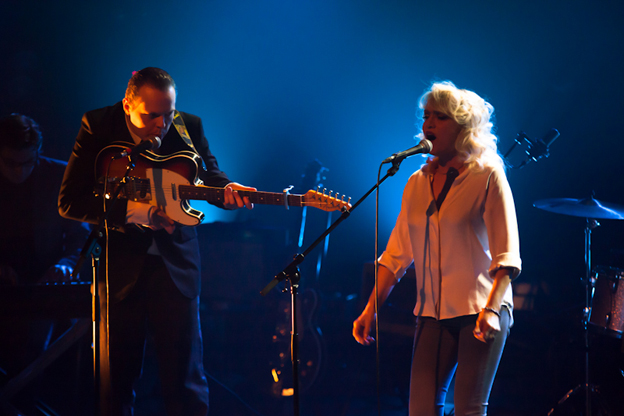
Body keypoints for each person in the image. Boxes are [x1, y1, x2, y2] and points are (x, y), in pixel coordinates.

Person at [58, 67, 256, 416]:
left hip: (174, 263)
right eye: (152, 115)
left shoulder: (187, 125)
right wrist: (139, 214)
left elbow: (209, 171)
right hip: (118, 265)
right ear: (127, 104)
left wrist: (226, 188)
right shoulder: (99, 125)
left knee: (185, 379)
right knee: (115, 381)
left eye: (168, 114)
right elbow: (70, 201)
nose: (162, 124)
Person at [352, 81, 521, 416]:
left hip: (481, 307)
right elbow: (395, 256)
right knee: (420, 410)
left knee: (468, 409)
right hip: (432, 315)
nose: (429, 124)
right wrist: (370, 309)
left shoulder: (487, 174)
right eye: (426, 116)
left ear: (463, 127)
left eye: (440, 117)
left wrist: (490, 310)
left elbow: (508, 254)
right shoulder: (416, 182)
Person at [0, 113, 90, 413]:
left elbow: (80, 237)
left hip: (42, 287)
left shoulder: (59, 176)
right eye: (10, 163)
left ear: (37, 152)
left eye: (27, 163)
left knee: (31, 361)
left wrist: (66, 263)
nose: (19, 171)